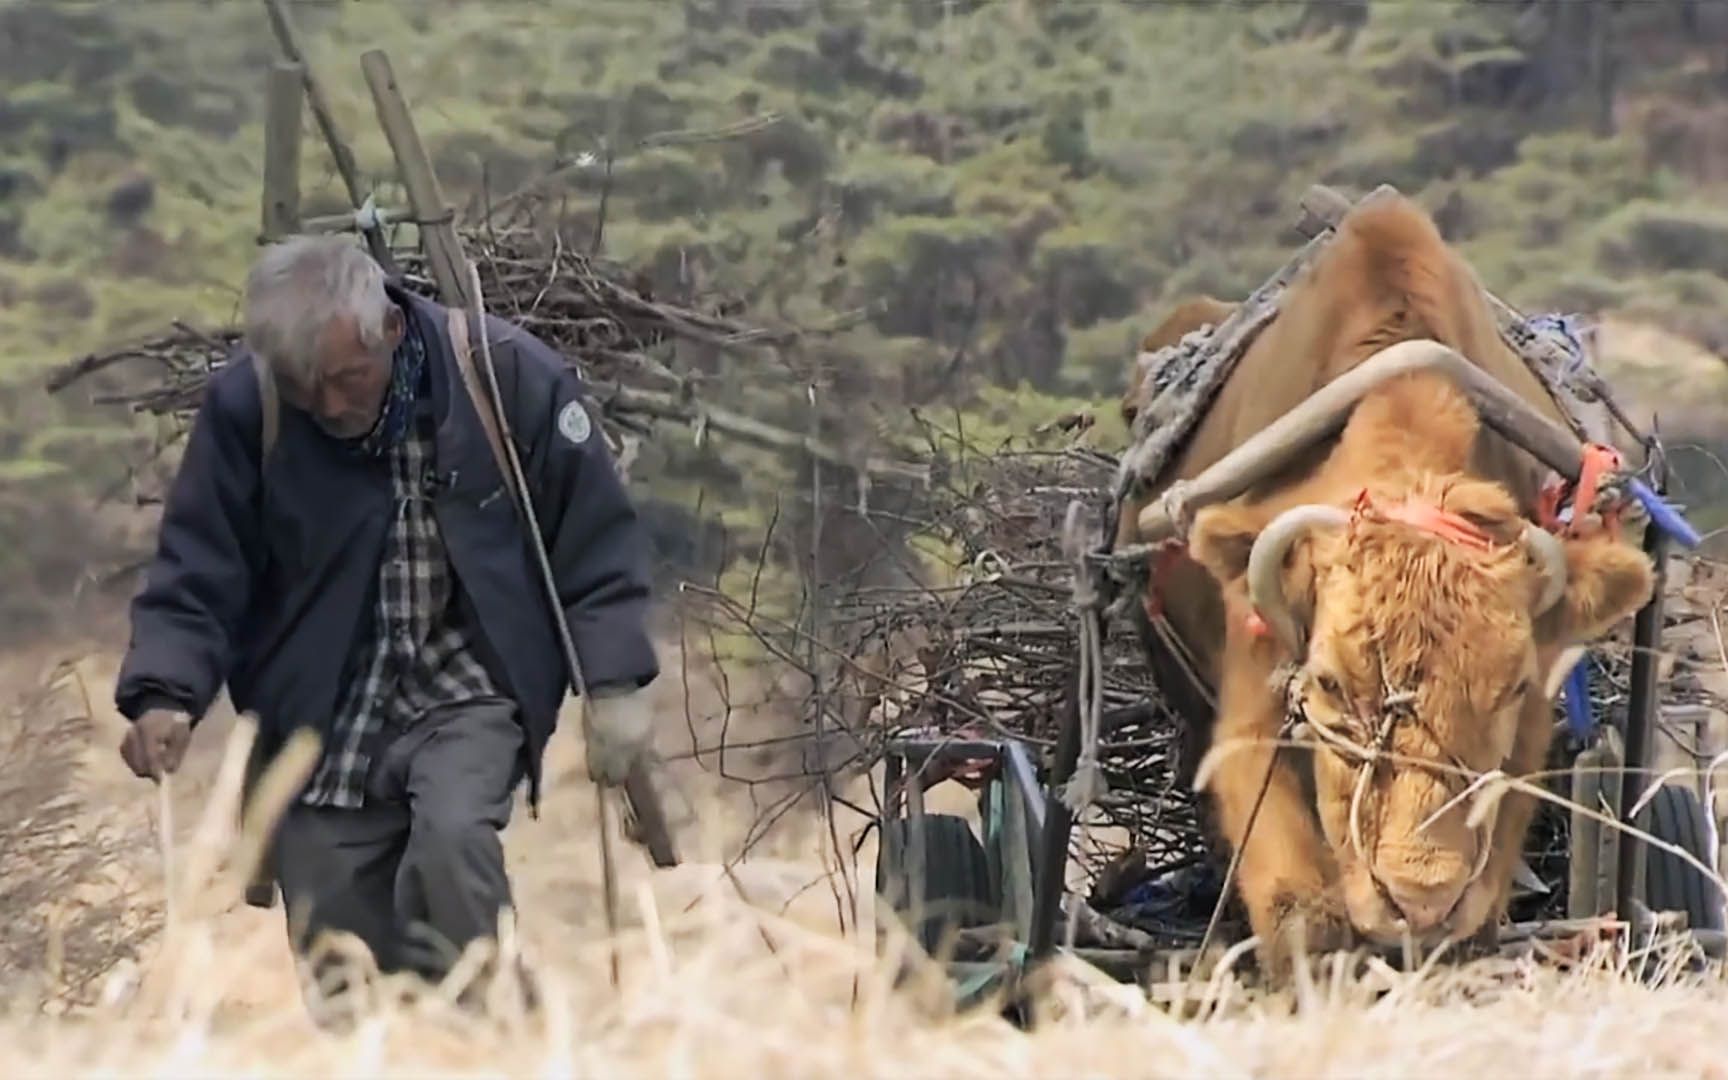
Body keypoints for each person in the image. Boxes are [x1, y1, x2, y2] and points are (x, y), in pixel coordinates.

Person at [112, 234, 660, 1006]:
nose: (331, 405)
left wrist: (614, 680)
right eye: (309, 388)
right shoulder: (251, 407)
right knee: (340, 951)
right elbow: (200, 566)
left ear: (391, 331)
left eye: (347, 378)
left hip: (468, 681)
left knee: (452, 843)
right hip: (319, 705)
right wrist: (164, 690)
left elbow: (595, 537)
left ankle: (499, 1037)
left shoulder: (502, 377)